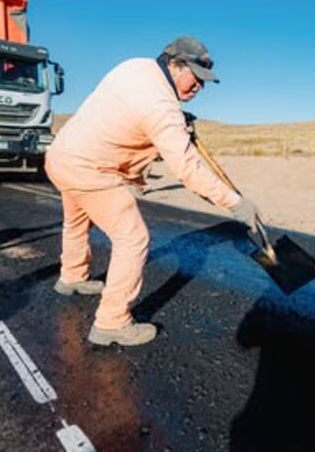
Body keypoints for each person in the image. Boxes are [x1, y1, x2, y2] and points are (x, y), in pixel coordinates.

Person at [45, 36, 259, 347]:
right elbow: (188, 169)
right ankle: (111, 323)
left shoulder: (137, 67)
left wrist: (175, 116)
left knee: (77, 220)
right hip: (90, 169)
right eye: (196, 77)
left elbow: (131, 109)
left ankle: (72, 277)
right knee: (133, 239)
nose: (200, 86)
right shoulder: (161, 106)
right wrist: (235, 203)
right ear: (174, 64)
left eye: (205, 81)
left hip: (62, 156)